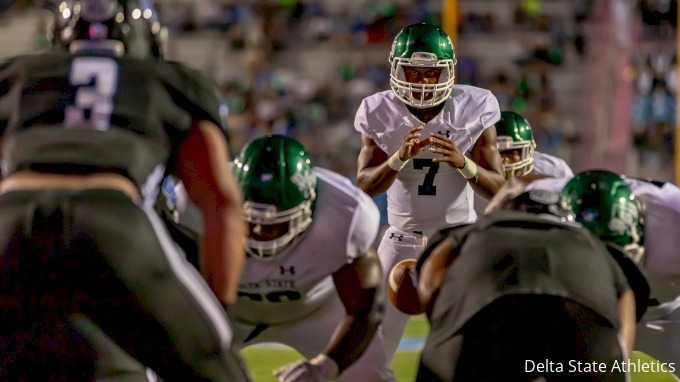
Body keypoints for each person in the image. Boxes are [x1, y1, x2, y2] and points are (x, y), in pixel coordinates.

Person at [0, 1, 248, 380]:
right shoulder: (169, 81)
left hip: (10, 217)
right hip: (111, 216)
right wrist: (215, 319)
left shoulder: (16, 74)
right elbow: (221, 202)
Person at [354, 22, 505, 361]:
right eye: (412, 70)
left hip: (458, 240)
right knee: (372, 348)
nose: (420, 81)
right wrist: (397, 159)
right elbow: (365, 185)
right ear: (396, 68)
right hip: (400, 241)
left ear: (448, 72)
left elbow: (499, 187)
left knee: (479, 344)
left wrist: (463, 163)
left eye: (429, 73)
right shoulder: (379, 111)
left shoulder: (475, 106)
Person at [401, 190, 636, 381]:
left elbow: (432, 281)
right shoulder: (590, 242)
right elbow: (625, 298)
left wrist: (447, 326)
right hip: (585, 313)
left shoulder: (479, 228)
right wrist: (613, 361)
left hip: (485, 311)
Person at [227, 135, 390, 382]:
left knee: (370, 375)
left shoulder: (344, 214)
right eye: (249, 221)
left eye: (274, 225)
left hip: (316, 310)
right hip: (228, 313)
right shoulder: (198, 198)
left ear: (308, 209)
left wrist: (327, 366)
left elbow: (366, 307)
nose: (259, 234)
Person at [488, 171, 680, 376]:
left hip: (665, 315)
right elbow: (516, 185)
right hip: (585, 302)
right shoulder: (563, 200)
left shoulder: (673, 222)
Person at [473, 111, 573, 216]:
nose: (504, 161)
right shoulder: (468, 179)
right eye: (496, 154)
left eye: (511, 153)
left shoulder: (555, 170)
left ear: (529, 150)